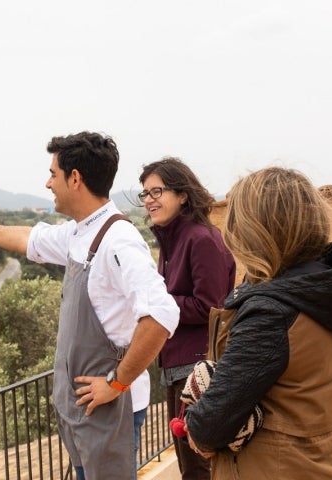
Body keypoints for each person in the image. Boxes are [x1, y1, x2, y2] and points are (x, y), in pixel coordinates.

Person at [0, 131, 180, 480]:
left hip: (111, 409)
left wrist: (116, 383)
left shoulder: (119, 241)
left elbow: (161, 315)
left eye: (53, 174)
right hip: (82, 410)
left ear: (75, 178)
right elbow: (29, 238)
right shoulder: (79, 232)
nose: (48, 183)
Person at [185, 167, 332, 479]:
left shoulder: (271, 311)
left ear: (256, 231)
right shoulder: (323, 289)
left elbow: (210, 425)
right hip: (326, 464)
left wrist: (197, 423)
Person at [137, 157, 236, 480]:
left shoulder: (201, 239)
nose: (149, 199)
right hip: (176, 365)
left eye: (157, 191)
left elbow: (211, 306)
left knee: (198, 466)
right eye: (145, 193)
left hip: (197, 368)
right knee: (189, 464)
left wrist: (160, 304)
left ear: (182, 195)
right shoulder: (174, 239)